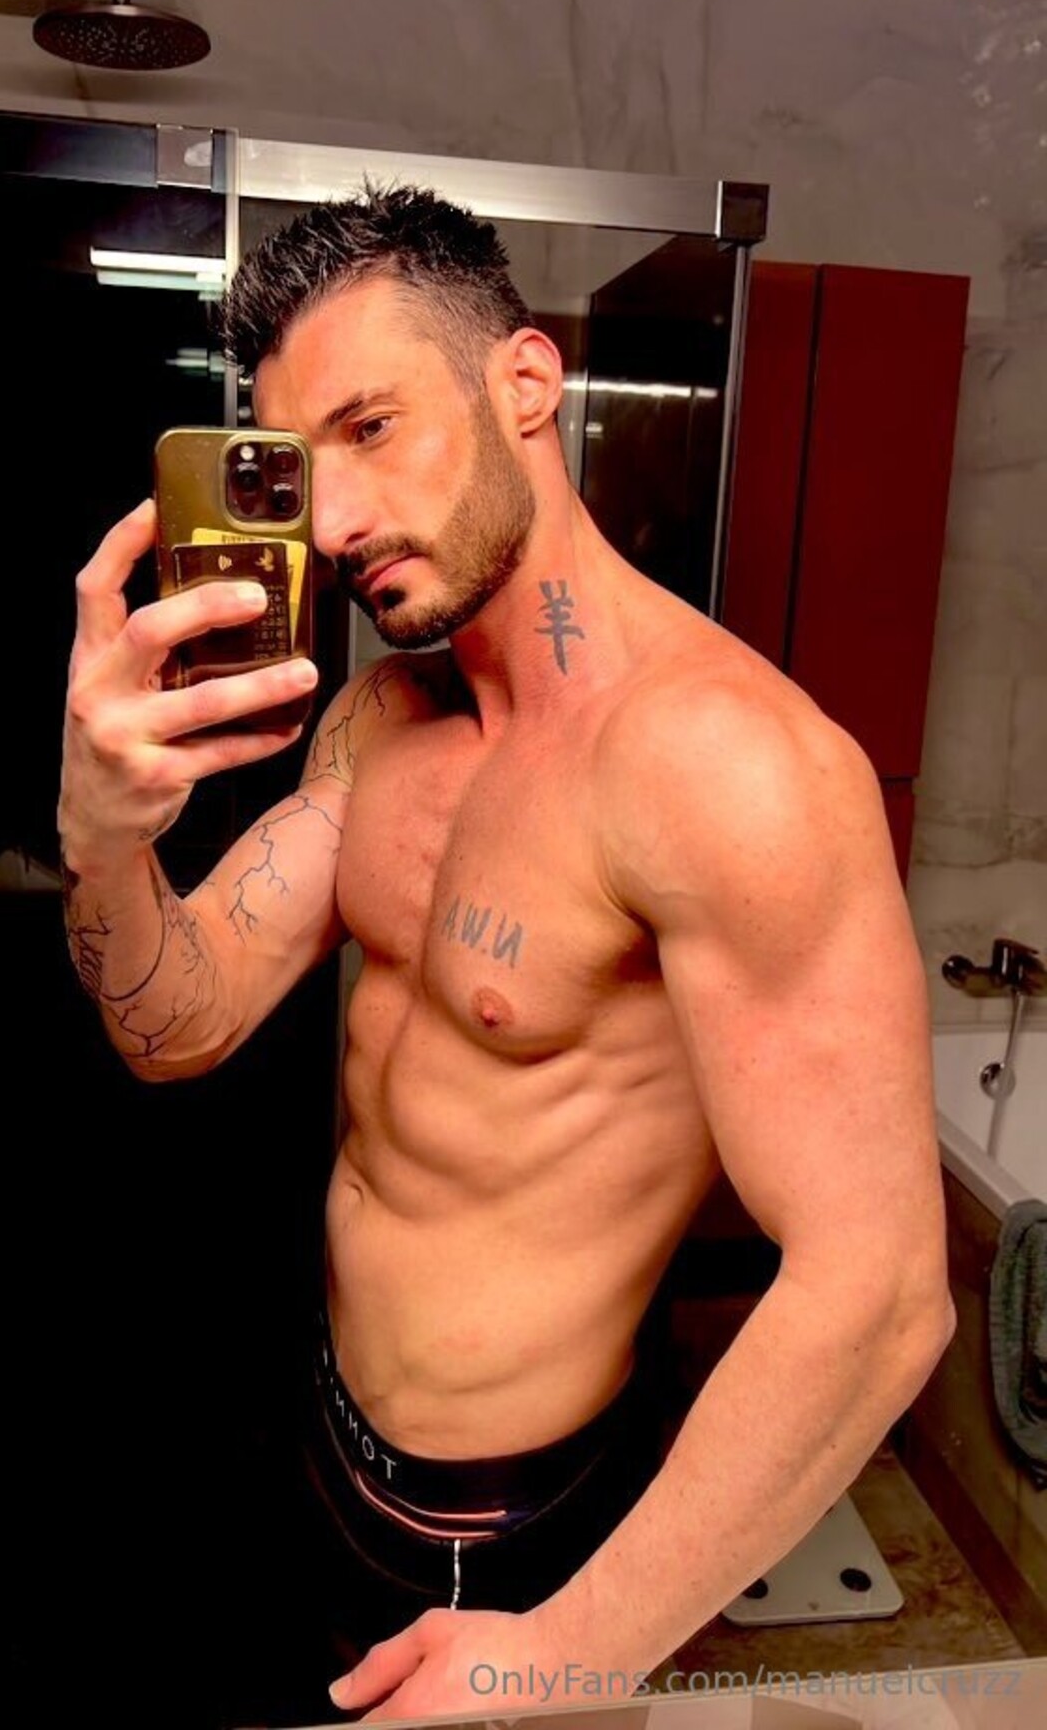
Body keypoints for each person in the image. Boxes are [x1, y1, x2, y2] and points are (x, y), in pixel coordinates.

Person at [59, 185, 954, 1724]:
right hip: (319, 1438)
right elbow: (175, 1026)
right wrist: (102, 837)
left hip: (522, 1536)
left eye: (373, 426)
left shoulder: (725, 765)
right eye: (304, 463)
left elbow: (880, 1295)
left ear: (526, 383)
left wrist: (570, 1645)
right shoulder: (379, 718)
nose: (332, 521)